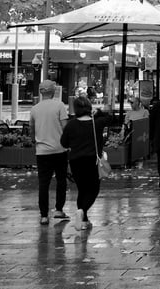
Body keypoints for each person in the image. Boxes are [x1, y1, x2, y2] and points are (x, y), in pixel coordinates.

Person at [60, 97, 110, 231]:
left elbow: (64, 143)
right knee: (93, 190)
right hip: (92, 161)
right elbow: (110, 117)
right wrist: (98, 112)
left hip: (76, 161)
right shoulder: (97, 123)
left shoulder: (71, 124)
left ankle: (84, 220)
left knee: (82, 190)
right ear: (89, 108)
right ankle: (82, 211)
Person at [29, 80, 69, 225]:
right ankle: (59, 209)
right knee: (61, 181)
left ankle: (44, 215)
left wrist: (35, 141)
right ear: (53, 92)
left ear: (41, 92)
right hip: (59, 150)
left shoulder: (34, 109)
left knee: (43, 183)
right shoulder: (59, 106)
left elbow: (31, 130)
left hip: (42, 151)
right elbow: (65, 127)